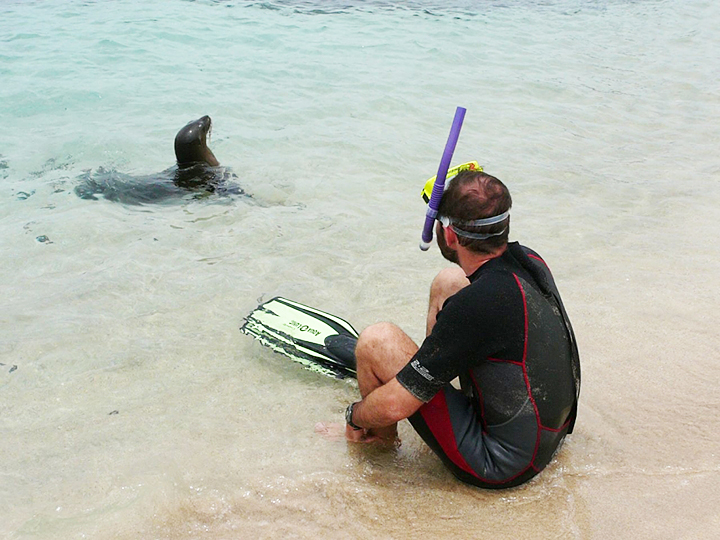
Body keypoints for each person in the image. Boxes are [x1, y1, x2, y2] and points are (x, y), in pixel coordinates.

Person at [341, 169, 580, 489]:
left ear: (450, 236)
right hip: (552, 431)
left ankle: (376, 443)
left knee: (375, 342)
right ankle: (426, 375)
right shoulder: (528, 260)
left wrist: (355, 414)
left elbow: (396, 405)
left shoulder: (478, 305)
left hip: (502, 465)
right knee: (447, 282)